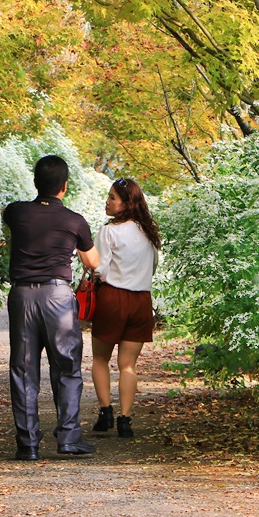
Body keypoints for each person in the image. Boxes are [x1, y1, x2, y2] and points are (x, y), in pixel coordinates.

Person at [2, 155, 100, 461]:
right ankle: (69, 437)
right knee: (67, 367)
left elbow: (6, 215)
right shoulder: (75, 221)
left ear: (35, 183)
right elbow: (92, 262)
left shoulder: (17, 211)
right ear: (65, 186)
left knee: (23, 369)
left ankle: (28, 444)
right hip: (58, 297)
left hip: (22, 296)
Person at [89, 177, 161, 438]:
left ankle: (105, 412)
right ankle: (125, 420)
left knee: (100, 359)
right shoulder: (148, 233)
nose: (107, 202)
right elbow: (152, 268)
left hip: (113, 298)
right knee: (128, 365)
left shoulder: (109, 231)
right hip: (141, 301)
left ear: (126, 203)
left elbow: (100, 268)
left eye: (112, 198)